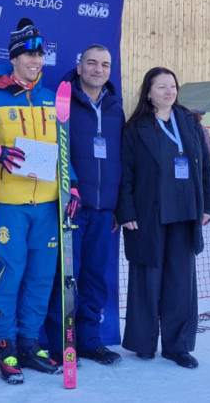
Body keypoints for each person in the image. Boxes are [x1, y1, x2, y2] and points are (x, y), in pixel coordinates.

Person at [0, 18, 78, 384]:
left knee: (41, 275)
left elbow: (63, 151)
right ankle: (5, 346)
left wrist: (72, 187)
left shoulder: (52, 99)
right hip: (12, 201)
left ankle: (30, 343)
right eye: (29, 54)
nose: (36, 60)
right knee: (12, 271)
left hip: (49, 201)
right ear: (14, 58)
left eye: (40, 54)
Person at [116, 67, 210, 369]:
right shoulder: (135, 129)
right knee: (147, 279)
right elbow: (126, 174)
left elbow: (206, 168)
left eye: (172, 86)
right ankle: (143, 342)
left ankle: (178, 346)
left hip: (185, 215)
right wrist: (127, 211)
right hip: (149, 215)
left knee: (180, 283)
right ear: (148, 92)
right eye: (162, 87)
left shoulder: (190, 123)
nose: (169, 92)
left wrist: (208, 205)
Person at [44, 44, 124, 366]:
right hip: (71, 206)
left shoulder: (116, 107)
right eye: (91, 62)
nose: (98, 69)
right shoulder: (61, 101)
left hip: (105, 210)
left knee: (94, 277)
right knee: (65, 276)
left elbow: (125, 160)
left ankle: (89, 340)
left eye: (105, 64)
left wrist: (121, 206)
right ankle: (60, 343)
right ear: (79, 67)